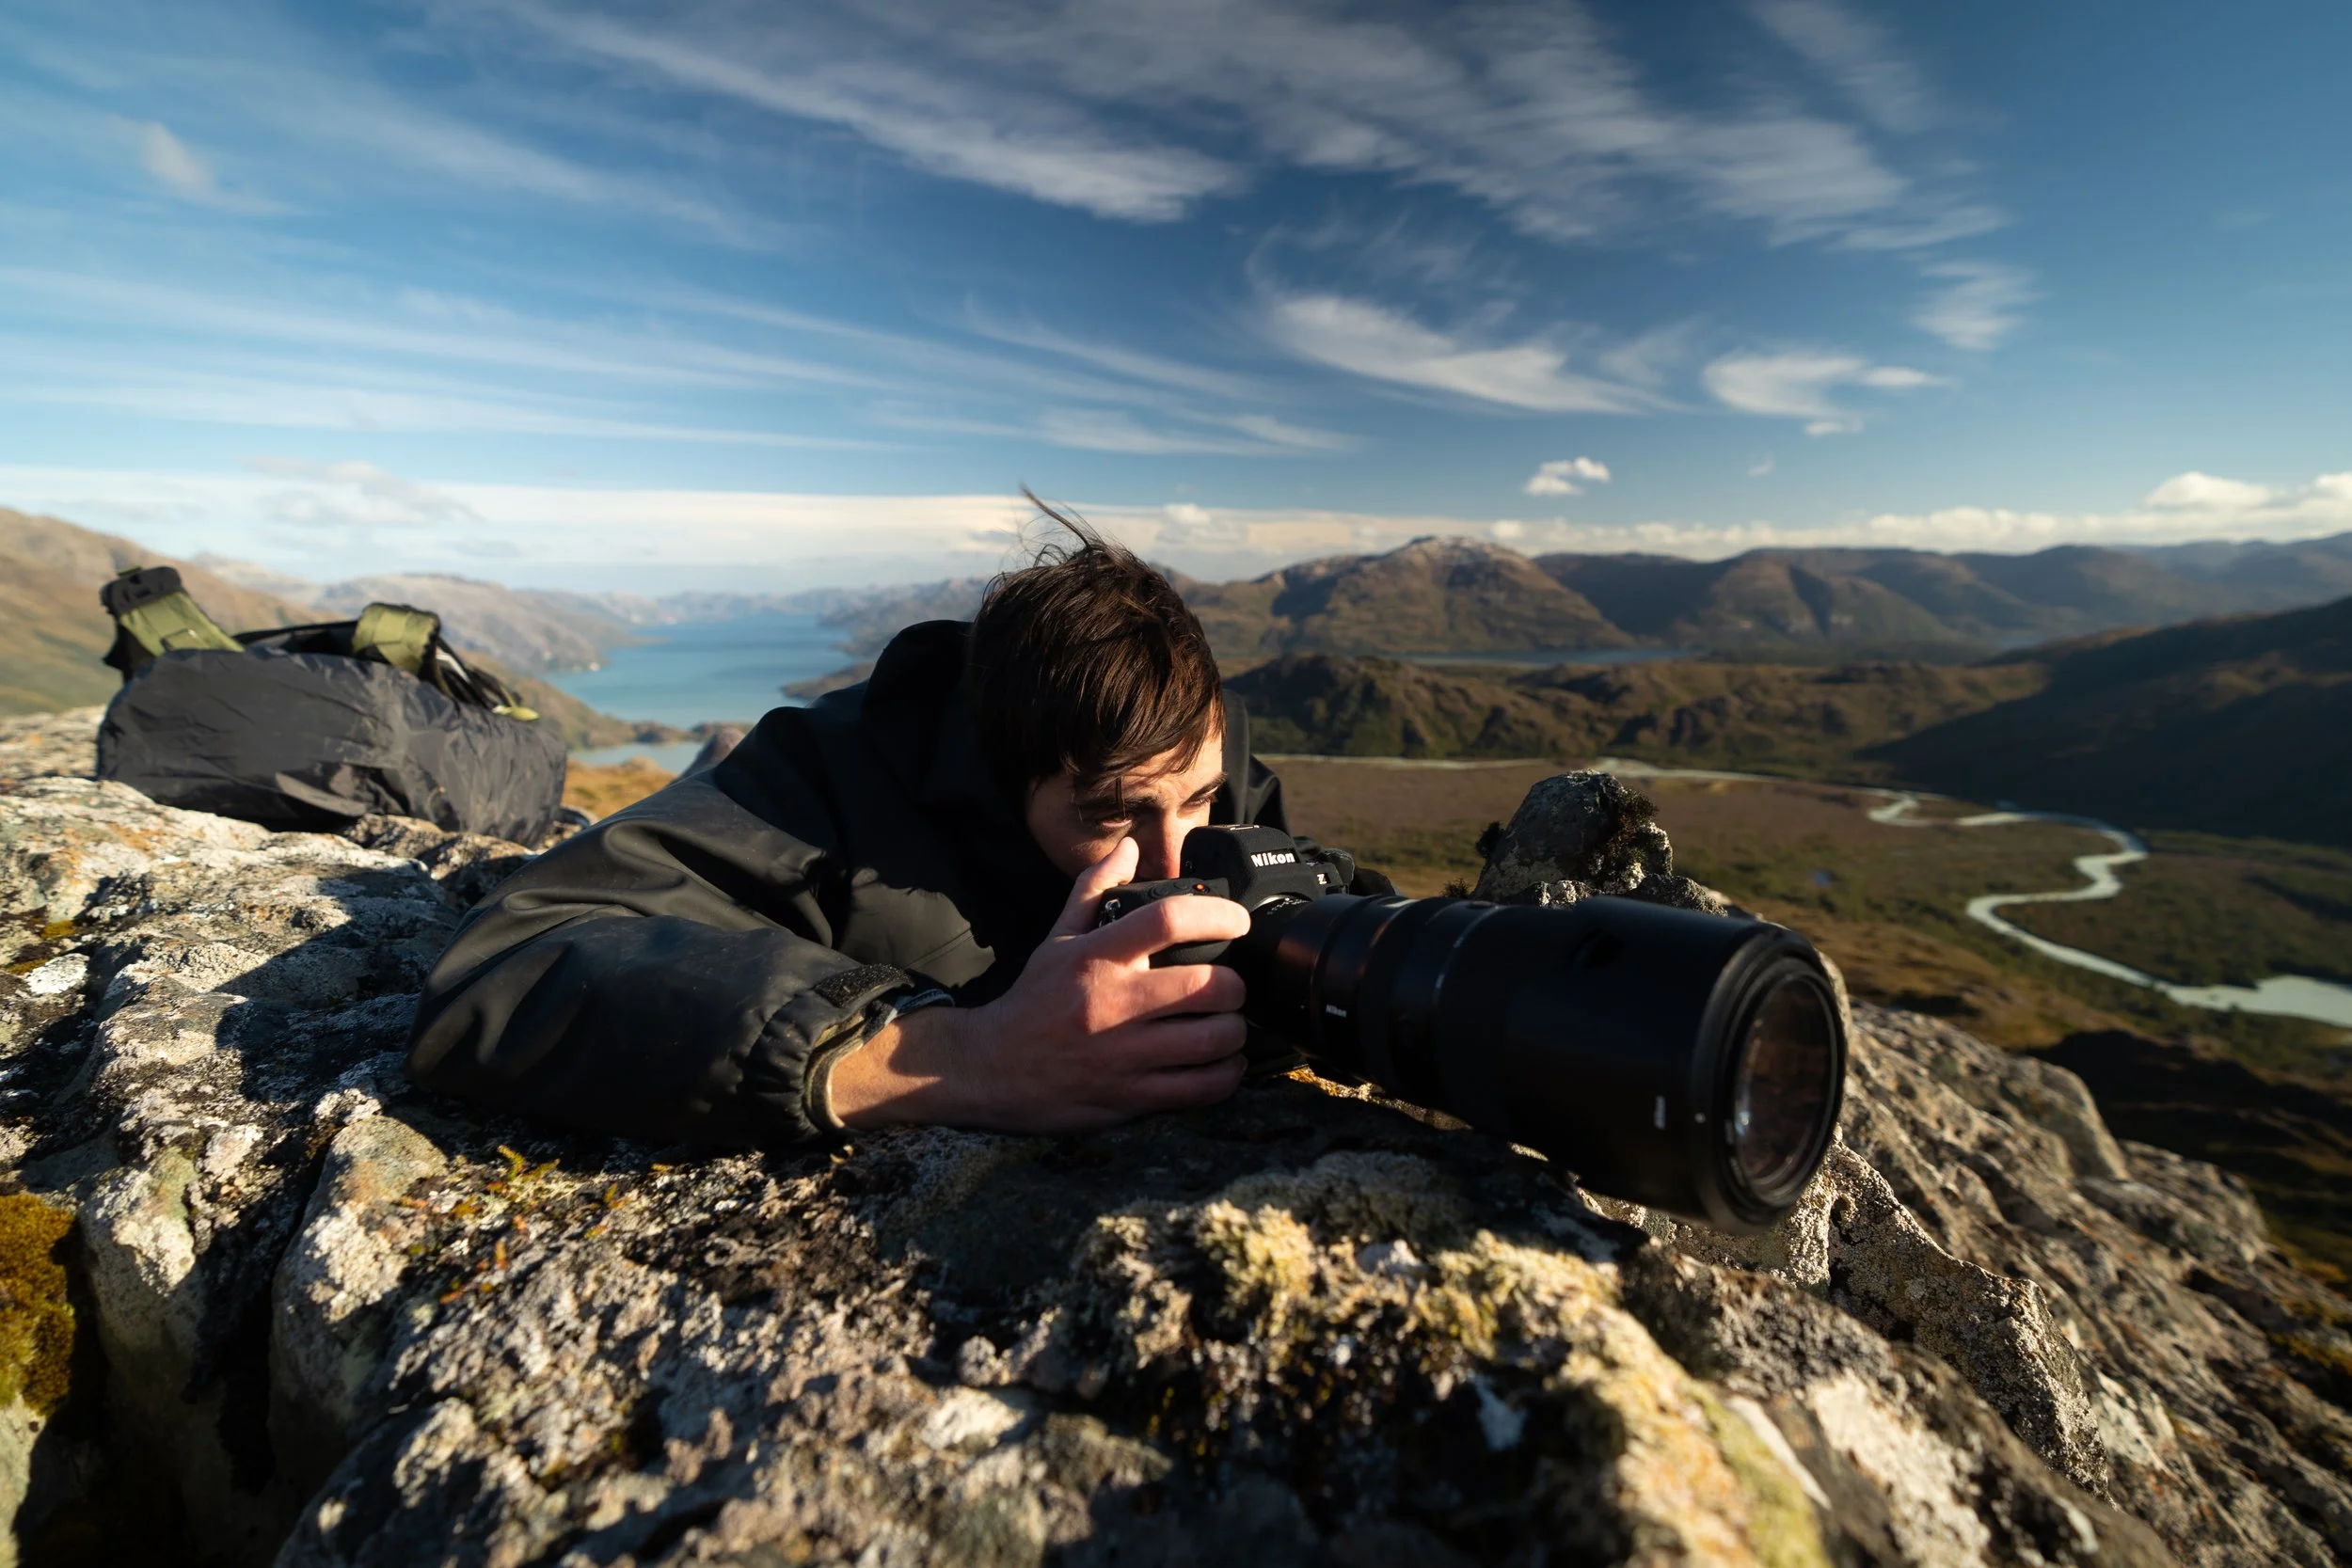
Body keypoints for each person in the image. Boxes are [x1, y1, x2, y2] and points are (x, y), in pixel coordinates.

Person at [405, 509, 1359, 1148]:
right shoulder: (818, 784)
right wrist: (961, 1059)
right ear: (1000, 770)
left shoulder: (1202, 766)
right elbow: (504, 969)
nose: (1169, 856)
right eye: (1109, 814)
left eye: (1195, 802)